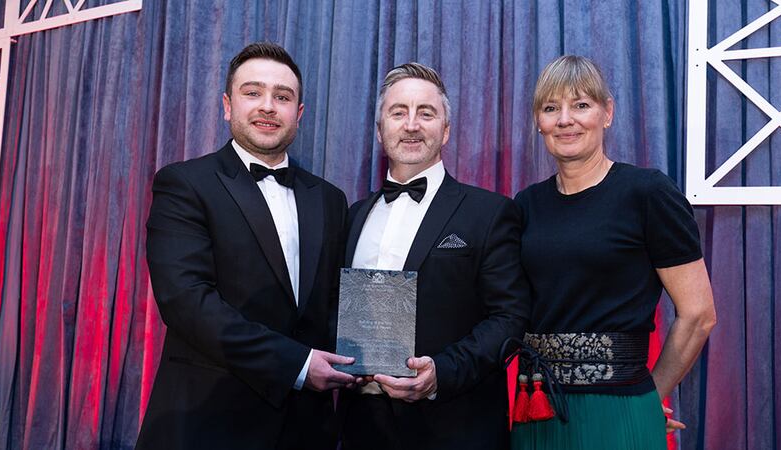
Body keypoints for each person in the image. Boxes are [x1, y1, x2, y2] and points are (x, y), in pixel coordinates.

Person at [135, 42, 356, 450]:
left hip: (306, 429)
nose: (268, 106)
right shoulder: (184, 184)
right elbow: (186, 302)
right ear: (227, 105)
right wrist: (299, 364)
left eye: (283, 97)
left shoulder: (330, 199)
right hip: (209, 424)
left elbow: (336, 305)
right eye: (253, 92)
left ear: (299, 113)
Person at [510, 55, 717, 450]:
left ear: (607, 113)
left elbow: (699, 315)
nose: (565, 119)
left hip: (620, 411)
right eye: (551, 108)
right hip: (535, 410)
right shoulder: (525, 205)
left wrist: (649, 396)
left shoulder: (648, 193)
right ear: (539, 122)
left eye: (581, 105)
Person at [339, 62, 530, 450]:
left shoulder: (489, 213)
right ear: (380, 130)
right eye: (398, 112)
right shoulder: (354, 215)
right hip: (360, 428)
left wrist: (440, 373)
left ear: (445, 130)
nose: (411, 124)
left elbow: (509, 318)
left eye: (425, 113)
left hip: (455, 428)